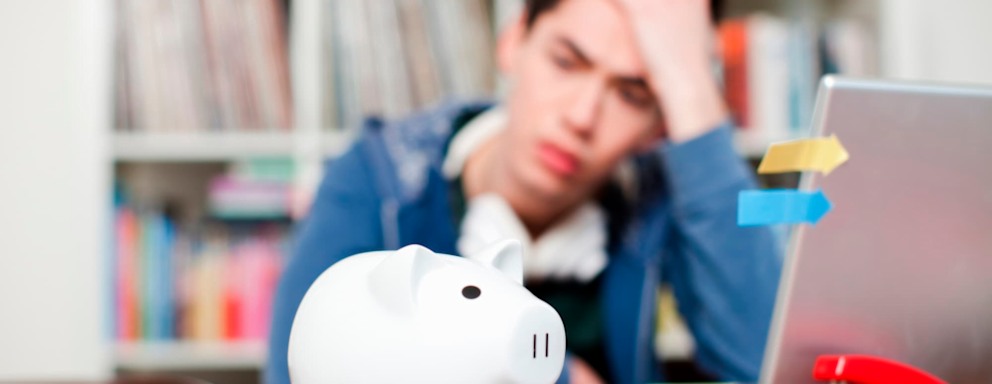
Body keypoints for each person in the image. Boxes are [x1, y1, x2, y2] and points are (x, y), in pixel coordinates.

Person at [266, 0, 781, 383]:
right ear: (513, 41)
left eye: (631, 93)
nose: (581, 117)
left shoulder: (655, 200)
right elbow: (302, 363)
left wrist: (690, 85)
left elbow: (766, 359)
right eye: (566, 61)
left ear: (657, 125)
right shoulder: (381, 179)